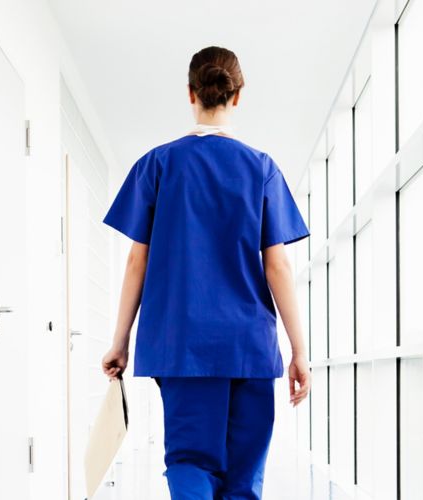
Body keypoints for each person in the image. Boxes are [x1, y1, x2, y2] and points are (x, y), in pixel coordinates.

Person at [97, 46, 311, 500]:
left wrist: (120, 340)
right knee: (243, 477)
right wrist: (299, 350)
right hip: (248, 345)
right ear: (238, 97)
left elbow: (138, 260)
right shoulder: (262, 169)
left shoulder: (157, 165)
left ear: (190, 92)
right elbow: (277, 266)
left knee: (191, 464)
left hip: (181, 345)